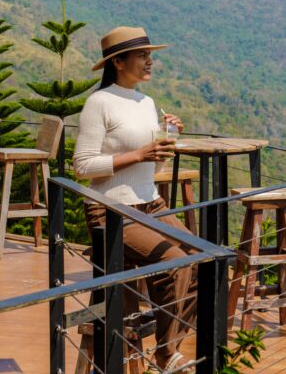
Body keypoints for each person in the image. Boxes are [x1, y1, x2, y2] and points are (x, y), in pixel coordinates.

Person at [74, 25, 195, 371]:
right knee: (177, 261)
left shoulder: (147, 102)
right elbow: (83, 166)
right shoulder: (99, 103)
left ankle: (166, 341)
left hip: (150, 201)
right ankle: (166, 352)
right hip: (112, 208)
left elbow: (147, 160)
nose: (149, 61)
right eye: (142, 55)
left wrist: (164, 139)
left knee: (203, 258)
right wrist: (140, 154)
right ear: (118, 62)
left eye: (150, 55)